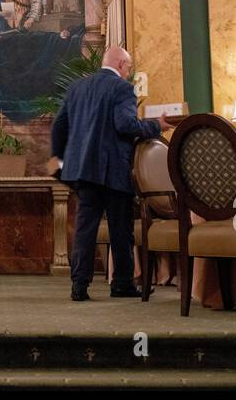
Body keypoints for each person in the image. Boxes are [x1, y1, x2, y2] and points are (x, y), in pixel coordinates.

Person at [49, 46, 172, 301]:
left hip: (82, 170)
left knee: (85, 228)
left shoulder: (77, 88)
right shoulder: (122, 89)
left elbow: (59, 126)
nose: (128, 73)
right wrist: (155, 125)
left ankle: (79, 286)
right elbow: (125, 124)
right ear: (119, 64)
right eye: (127, 67)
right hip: (112, 168)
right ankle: (122, 283)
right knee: (120, 228)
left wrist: (60, 160)